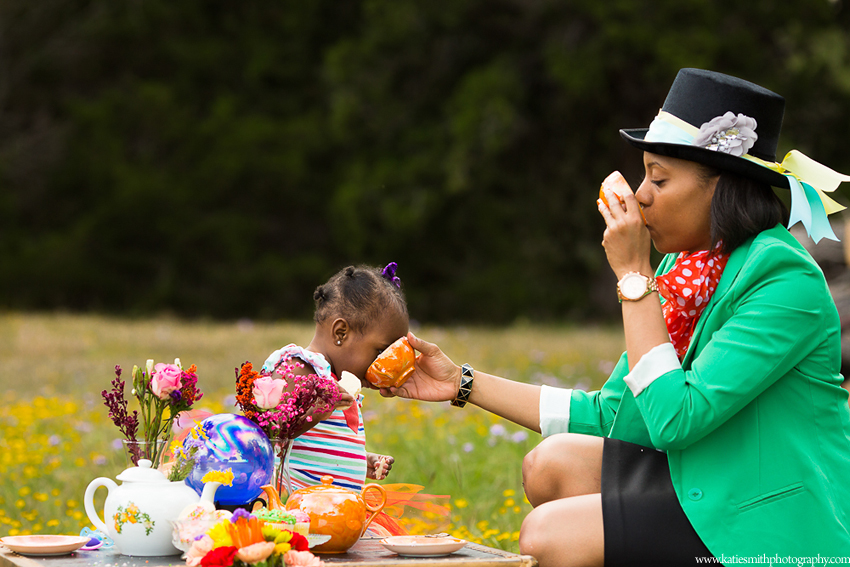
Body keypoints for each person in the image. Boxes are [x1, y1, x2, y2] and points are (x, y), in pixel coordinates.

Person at [381, 69, 850, 566]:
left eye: (660, 177)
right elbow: (613, 413)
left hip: (769, 522)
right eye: (644, 174)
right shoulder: (687, 268)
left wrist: (632, 275)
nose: (641, 193)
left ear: (722, 187)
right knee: (550, 464)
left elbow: (675, 420)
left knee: (549, 535)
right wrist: (461, 383)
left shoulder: (781, 279)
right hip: (710, 478)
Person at [261, 263, 408, 491]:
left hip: (335, 514)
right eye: (381, 351)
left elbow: (315, 445)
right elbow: (269, 432)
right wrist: (316, 411)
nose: (385, 364)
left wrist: (360, 460)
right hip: (295, 513)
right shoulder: (298, 368)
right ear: (341, 333)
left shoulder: (340, 382)